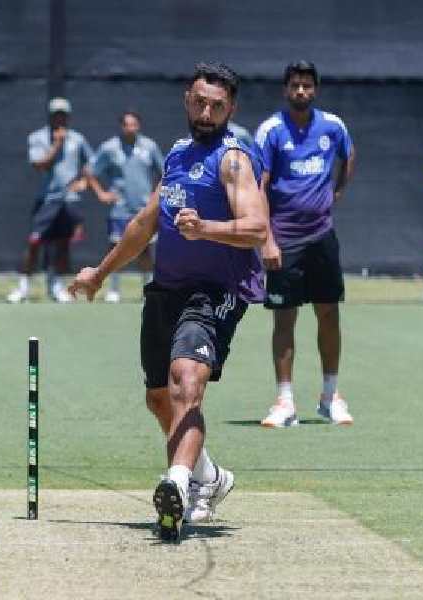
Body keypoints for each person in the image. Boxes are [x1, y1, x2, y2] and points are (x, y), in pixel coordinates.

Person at [69, 62, 266, 542]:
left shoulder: (235, 159)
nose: (206, 111)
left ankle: (176, 485)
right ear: (187, 98)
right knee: (159, 396)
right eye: (200, 102)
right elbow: (144, 224)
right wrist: (100, 272)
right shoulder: (177, 154)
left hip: (216, 290)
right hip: (168, 289)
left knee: (186, 380)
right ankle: (210, 476)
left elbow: (257, 227)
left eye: (217, 106)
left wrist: (208, 229)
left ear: (231, 109)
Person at [254, 60, 356, 428]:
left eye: (307, 86)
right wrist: (266, 239)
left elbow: (349, 157)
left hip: (322, 236)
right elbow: (259, 187)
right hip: (284, 240)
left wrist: (336, 192)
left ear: (315, 89)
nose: (301, 92)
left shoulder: (333, 126)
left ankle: (330, 397)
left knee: (329, 313)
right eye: (295, 85)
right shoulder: (270, 131)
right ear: (286, 89)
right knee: (285, 318)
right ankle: (285, 402)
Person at [7, 97, 93, 304]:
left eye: (63, 115)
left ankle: (55, 287)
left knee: (62, 245)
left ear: (68, 117)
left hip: (69, 201)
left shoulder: (78, 139)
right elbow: (39, 164)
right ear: (50, 117)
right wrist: (57, 144)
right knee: (34, 243)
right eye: (56, 115)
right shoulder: (37, 138)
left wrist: (84, 182)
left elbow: (90, 163)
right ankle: (23, 287)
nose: (60, 119)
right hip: (47, 200)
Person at [89, 111, 164, 302]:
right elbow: (90, 172)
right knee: (116, 248)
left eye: (134, 125)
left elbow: (165, 172)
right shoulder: (109, 148)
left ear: (139, 126)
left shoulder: (149, 146)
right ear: (121, 126)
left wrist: (155, 197)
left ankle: (148, 288)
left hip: (144, 210)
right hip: (120, 210)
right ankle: (114, 289)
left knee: (146, 250)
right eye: (127, 125)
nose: (131, 128)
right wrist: (102, 193)